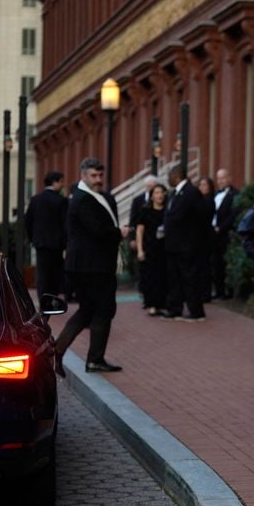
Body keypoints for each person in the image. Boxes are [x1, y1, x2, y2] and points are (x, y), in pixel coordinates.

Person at [54, 158, 130, 375]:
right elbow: (98, 231)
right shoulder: (83, 199)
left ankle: (58, 352)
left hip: (89, 265)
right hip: (92, 267)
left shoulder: (91, 197)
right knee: (104, 310)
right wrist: (120, 233)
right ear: (83, 176)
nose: (98, 180)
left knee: (88, 311)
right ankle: (93, 359)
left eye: (100, 175)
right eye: (93, 176)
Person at [163, 165, 207, 322]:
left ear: (176, 176)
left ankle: (196, 311)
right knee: (174, 278)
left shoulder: (191, 192)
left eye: (169, 176)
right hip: (174, 245)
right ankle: (175, 309)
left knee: (190, 278)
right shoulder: (174, 193)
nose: (167, 179)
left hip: (187, 245)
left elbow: (202, 216)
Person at [25, 171, 68, 305]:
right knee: (55, 274)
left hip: (40, 243)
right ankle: (52, 299)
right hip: (57, 244)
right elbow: (66, 224)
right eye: (61, 181)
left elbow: (28, 221)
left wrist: (33, 239)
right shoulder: (61, 201)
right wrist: (65, 244)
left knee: (42, 274)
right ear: (54, 182)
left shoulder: (35, 199)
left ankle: (43, 300)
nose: (62, 184)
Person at [135, 183, 169, 316]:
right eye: (156, 193)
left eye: (161, 192)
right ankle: (152, 305)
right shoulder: (145, 211)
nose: (159, 195)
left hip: (165, 249)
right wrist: (140, 250)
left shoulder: (168, 210)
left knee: (164, 276)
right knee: (150, 277)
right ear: (151, 196)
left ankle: (163, 304)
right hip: (149, 249)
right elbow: (139, 231)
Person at [211, 168, 238, 300]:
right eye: (218, 178)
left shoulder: (235, 194)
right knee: (216, 263)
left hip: (226, 234)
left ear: (229, 178)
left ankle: (228, 292)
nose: (220, 181)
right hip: (213, 234)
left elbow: (233, 215)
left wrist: (220, 228)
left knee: (225, 263)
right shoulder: (215, 194)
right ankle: (218, 291)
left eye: (223, 178)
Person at [196, 176, 217, 303]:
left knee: (204, 266)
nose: (202, 187)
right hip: (201, 237)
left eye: (205, 185)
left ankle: (205, 293)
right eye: (200, 185)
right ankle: (202, 292)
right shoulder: (200, 199)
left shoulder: (208, 200)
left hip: (205, 237)